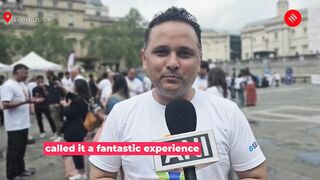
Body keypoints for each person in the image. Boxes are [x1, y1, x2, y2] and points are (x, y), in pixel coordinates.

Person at [89, 7, 267, 180]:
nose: (172, 63)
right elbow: (101, 175)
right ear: (144, 58)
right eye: (161, 52)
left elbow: (255, 175)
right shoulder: (120, 115)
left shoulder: (228, 113)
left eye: (184, 53)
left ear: (199, 59)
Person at [1, 64, 43, 180]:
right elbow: (5, 104)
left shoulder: (21, 84)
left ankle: (21, 170)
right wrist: (24, 102)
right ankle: (12, 175)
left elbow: (25, 100)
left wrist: (33, 101)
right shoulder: (8, 86)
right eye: (25, 73)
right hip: (14, 125)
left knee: (21, 150)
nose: (27, 75)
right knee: (14, 151)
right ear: (17, 72)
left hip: (23, 123)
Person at [59, 79, 89, 180]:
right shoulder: (83, 98)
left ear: (77, 87)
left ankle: (81, 174)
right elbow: (70, 94)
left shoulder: (78, 101)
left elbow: (68, 113)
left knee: (76, 152)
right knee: (76, 151)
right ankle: (80, 172)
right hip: (79, 129)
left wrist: (64, 105)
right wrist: (61, 86)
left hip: (74, 130)